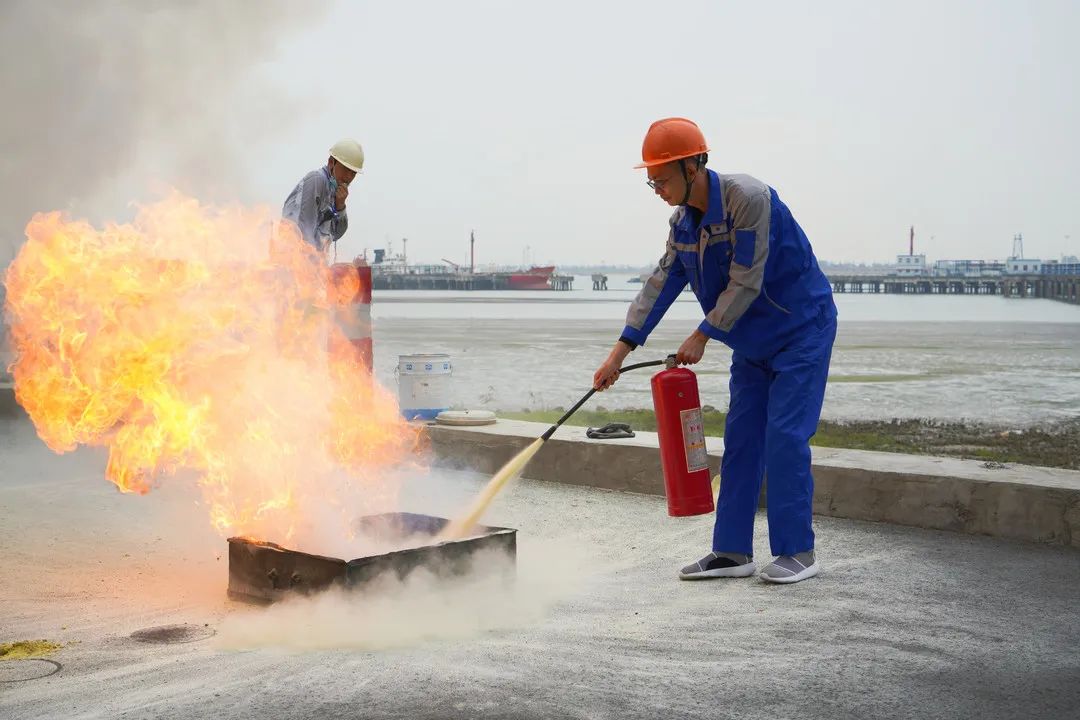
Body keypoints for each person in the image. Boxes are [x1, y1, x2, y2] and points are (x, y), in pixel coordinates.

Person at [593, 118, 837, 584]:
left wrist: (702, 334)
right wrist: (618, 353)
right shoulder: (683, 223)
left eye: (662, 179)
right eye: (652, 182)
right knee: (741, 441)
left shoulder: (750, 199)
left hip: (801, 331)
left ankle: (797, 550)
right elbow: (659, 285)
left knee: (784, 437)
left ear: (693, 164)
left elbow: (748, 278)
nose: (658, 189)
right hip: (749, 343)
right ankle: (731, 552)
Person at [282, 139, 364, 254]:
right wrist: (311, 268)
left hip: (313, 265)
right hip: (294, 260)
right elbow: (304, 231)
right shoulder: (316, 180)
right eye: (346, 169)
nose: (349, 177)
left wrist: (341, 206)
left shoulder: (332, 192)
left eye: (353, 173)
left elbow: (335, 234)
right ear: (331, 162)